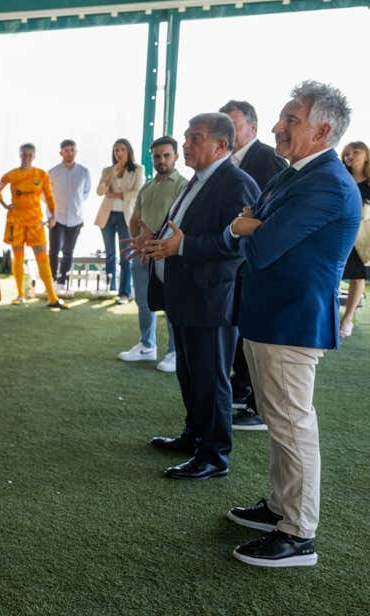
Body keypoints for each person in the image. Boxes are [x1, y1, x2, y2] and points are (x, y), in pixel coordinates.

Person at [223, 82, 360, 568]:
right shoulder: (295, 173)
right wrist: (252, 227)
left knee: (293, 424)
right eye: (282, 118)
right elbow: (251, 225)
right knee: (282, 423)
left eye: (291, 120)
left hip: (291, 320)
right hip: (270, 315)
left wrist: (250, 228)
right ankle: (281, 509)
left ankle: (299, 535)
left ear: (323, 130)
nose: (279, 127)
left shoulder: (325, 181)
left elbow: (257, 242)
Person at [136, 113, 258, 480]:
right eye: (187, 137)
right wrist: (155, 242)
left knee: (211, 377)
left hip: (211, 299)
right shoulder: (200, 180)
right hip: (185, 295)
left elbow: (238, 246)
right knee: (190, 375)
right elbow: (179, 227)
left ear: (222, 145)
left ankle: (214, 455)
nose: (186, 144)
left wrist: (182, 246)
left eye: (195, 138)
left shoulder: (236, 183)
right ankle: (194, 435)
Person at [222, 100, 288, 432]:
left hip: (256, 260)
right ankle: (243, 388)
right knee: (241, 329)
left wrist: (246, 228)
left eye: (234, 124)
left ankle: (256, 407)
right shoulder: (231, 160)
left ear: (253, 127)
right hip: (238, 259)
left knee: (252, 331)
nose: (228, 131)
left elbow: (271, 216)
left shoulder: (266, 158)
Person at [118, 137, 186, 372]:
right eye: (157, 156)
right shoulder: (147, 186)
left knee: (171, 304)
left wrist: (156, 240)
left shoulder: (183, 185)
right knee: (144, 301)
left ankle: (175, 352)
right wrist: (138, 240)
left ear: (176, 156)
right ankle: (147, 346)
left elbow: (180, 222)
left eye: (167, 155)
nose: (162, 160)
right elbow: (135, 218)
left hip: (167, 253)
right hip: (143, 252)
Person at [0, 143, 67, 309]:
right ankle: (20, 294)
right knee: (18, 257)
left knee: (42, 257)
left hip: (35, 222)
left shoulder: (41, 175)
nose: (26, 157)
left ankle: (52, 297)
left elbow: (49, 197)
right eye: (24, 154)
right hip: (16, 221)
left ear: (34, 156)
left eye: (29, 155)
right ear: (20, 155)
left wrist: (54, 217)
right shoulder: (12, 175)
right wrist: (5, 204)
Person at [94, 139, 142, 302]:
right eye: (116, 150)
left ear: (128, 151)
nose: (118, 153)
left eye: (122, 149)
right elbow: (100, 192)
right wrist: (111, 175)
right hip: (107, 216)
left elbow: (137, 192)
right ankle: (110, 288)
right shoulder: (107, 170)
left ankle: (125, 292)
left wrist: (116, 195)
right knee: (110, 254)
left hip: (126, 217)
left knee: (125, 256)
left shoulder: (137, 169)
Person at [47, 139, 92, 292]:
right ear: (61, 153)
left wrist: (75, 204)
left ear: (76, 152)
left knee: (68, 251)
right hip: (56, 218)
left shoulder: (84, 172)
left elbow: (85, 193)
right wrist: (51, 216)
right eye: (66, 150)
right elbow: (45, 195)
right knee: (53, 251)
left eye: (72, 150)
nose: (69, 153)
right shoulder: (53, 173)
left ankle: (62, 282)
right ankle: (51, 281)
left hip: (76, 218)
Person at [338, 141, 369, 337]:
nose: (350, 156)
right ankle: (330, 314)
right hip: (341, 231)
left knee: (358, 276)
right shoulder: (342, 178)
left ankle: (347, 319)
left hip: (363, 236)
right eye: (347, 153)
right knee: (334, 272)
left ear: (366, 155)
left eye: (355, 152)